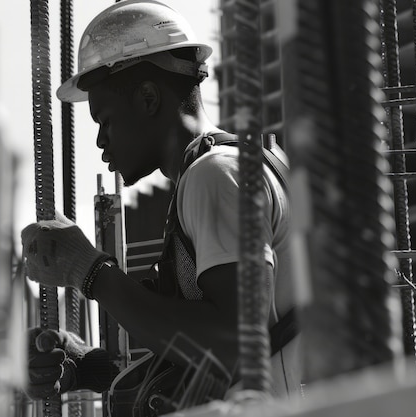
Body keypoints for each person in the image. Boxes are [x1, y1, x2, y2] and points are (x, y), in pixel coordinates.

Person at [21, 0, 302, 411]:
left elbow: (238, 346)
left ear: (148, 97)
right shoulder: (219, 170)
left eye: (106, 120)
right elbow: (193, 347)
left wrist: (91, 272)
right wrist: (86, 366)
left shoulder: (214, 175)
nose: (100, 141)